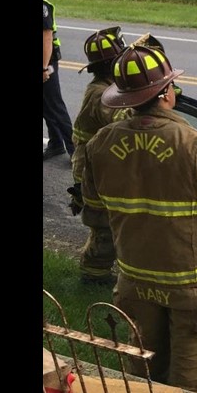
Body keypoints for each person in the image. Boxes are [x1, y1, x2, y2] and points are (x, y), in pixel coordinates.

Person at [82, 42, 197, 393]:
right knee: (193, 388)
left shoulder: (99, 144)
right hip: (193, 287)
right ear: (165, 93)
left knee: (145, 377)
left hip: (135, 280)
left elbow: (93, 204)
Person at [68, 27, 134, 285]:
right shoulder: (100, 94)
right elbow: (123, 118)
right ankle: (93, 276)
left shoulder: (107, 87)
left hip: (96, 167)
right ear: (111, 64)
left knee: (107, 223)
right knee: (103, 228)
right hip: (92, 172)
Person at [43, 0, 76, 159]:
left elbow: (46, 38)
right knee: (45, 105)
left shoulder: (43, 7)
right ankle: (56, 143)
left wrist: (43, 68)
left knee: (55, 105)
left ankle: (74, 150)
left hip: (46, 62)